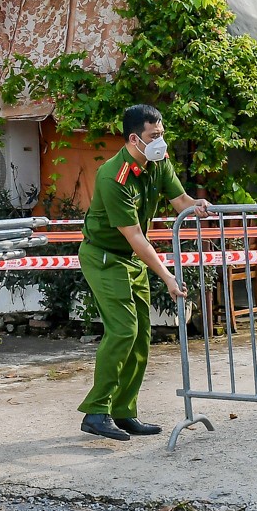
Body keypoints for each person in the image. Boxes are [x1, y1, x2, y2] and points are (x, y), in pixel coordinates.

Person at [76, 104, 208, 442]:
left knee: (140, 337)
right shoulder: (113, 175)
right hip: (105, 257)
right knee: (123, 331)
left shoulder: (158, 162)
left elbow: (180, 199)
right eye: (155, 136)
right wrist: (168, 277)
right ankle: (97, 411)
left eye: (162, 134)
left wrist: (198, 206)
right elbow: (135, 236)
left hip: (131, 260)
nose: (161, 142)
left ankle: (124, 411)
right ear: (135, 138)